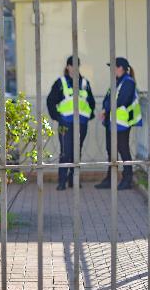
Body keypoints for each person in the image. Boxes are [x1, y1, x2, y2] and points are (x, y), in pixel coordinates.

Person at [46, 56, 96, 191]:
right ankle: (62, 181)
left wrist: (89, 115)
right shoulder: (60, 82)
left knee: (77, 152)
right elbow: (50, 101)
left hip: (81, 123)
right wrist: (57, 117)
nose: (74, 68)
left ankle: (74, 180)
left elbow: (91, 102)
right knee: (65, 152)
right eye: (72, 65)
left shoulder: (85, 82)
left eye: (77, 65)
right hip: (65, 123)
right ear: (68, 66)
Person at [95, 57, 142, 190]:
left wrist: (106, 109)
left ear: (120, 67)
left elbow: (122, 100)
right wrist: (105, 108)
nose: (112, 70)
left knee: (123, 150)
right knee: (111, 151)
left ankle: (127, 179)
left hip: (122, 123)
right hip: (111, 122)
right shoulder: (116, 82)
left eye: (113, 67)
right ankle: (110, 179)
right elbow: (107, 98)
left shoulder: (128, 82)